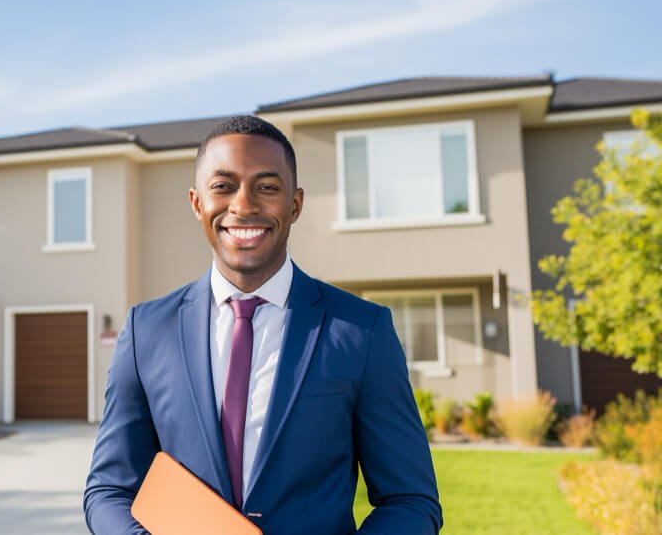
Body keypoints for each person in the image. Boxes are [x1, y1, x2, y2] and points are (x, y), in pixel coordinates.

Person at [84, 115, 442, 534]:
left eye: (267, 187)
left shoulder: (362, 331)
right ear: (197, 203)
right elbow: (109, 489)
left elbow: (410, 500)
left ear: (295, 204)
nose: (244, 205)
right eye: (223, 186)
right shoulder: (146, 331)